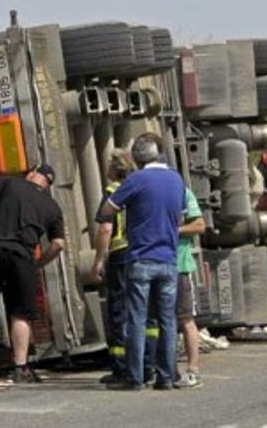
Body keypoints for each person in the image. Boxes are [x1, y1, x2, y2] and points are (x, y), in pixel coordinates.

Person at [0, 164, 66, 383]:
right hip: (23, 255)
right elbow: (58, 244)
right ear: (47, 185)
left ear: (31, 175)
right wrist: (39, 263)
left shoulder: (12, 183)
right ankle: (20, 368)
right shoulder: (53, 207)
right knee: (20, 312)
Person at [98, 133, 185, 391]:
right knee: (167, 320)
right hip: (168, 259)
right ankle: (166, 377)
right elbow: (180, 220)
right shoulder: (176, 179)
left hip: (140, 258)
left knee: (136, 318)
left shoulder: (136, 180)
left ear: (137, 157)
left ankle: (135, 378)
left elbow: (107, 210)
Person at [91, 149, 136, 383]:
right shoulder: (138, 190)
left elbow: (106, 228)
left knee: (117, 310)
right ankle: (142, 363)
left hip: (119, 255)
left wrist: (99, 259)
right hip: (139, 254)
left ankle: (120, 367)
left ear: (115, 169)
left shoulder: (111, 192)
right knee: (138, 309)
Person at [173, 187, 206, 389]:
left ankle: (193, 370)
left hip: (179, 265)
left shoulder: (182, 192)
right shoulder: (145, 189)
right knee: (159, 322)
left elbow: (200, 225)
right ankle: (167, 370)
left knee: (185, 318)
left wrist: (174, 231)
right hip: (155, 263)